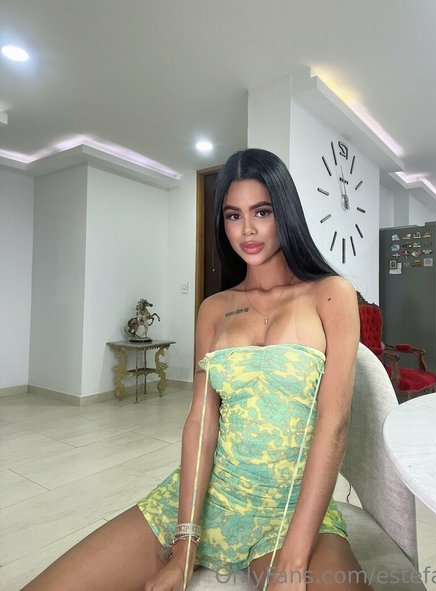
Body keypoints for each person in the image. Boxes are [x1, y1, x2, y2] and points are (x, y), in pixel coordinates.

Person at [22, 148, 371, 591]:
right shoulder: (214, 310)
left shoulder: (331, 294)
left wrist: (296, 553)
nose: (247, 230)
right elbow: (201, 423)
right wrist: (185, 543)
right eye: (233, 215)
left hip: (292, 507)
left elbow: (334, 423)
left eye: (262, 212)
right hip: (209, 496)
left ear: (285, 211)